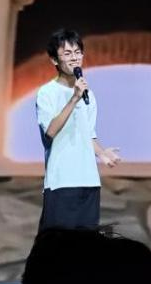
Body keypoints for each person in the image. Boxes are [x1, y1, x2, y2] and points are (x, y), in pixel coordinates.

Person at [36, 28, 120, 232]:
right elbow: (50, 132)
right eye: (67, 53)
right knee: (58, 245)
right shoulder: (47, 93)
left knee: (85, 246)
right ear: (54, 60)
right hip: (62, 182)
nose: (74, 58)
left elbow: (88, 134)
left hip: (89, 181)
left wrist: (102, 153)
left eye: (77, 52)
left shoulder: (89, 94)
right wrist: (74, 98)